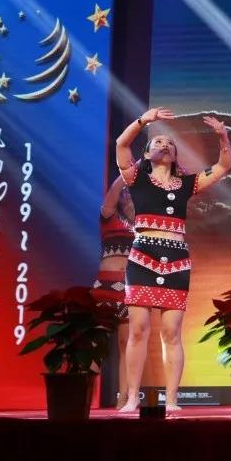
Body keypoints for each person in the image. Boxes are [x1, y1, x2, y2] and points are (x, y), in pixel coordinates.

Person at [116, 107, 231, 412]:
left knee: (171, 332)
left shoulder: (187, 184)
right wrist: (144, 120)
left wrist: (223, 137)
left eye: (170, 143)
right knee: (138, 329)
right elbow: (121, 144)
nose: (164, 144)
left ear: (175, 155)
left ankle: (172, 400)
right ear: (146, 153)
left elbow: (222, 167)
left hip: (177, 262)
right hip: (142, 258)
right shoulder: (136, 178)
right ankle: (132, 398)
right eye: (157, 142)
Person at [92, 175, 135, 408]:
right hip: (105, 287)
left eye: (132, 193)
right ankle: (84, 395)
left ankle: (124, 398)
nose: (128, 196)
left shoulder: (146, 225)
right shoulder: (109, 217)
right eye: (126, 193)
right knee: (96, 341)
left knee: (126, 343)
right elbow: (113, 192)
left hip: (130, 288)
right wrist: (127, 173)